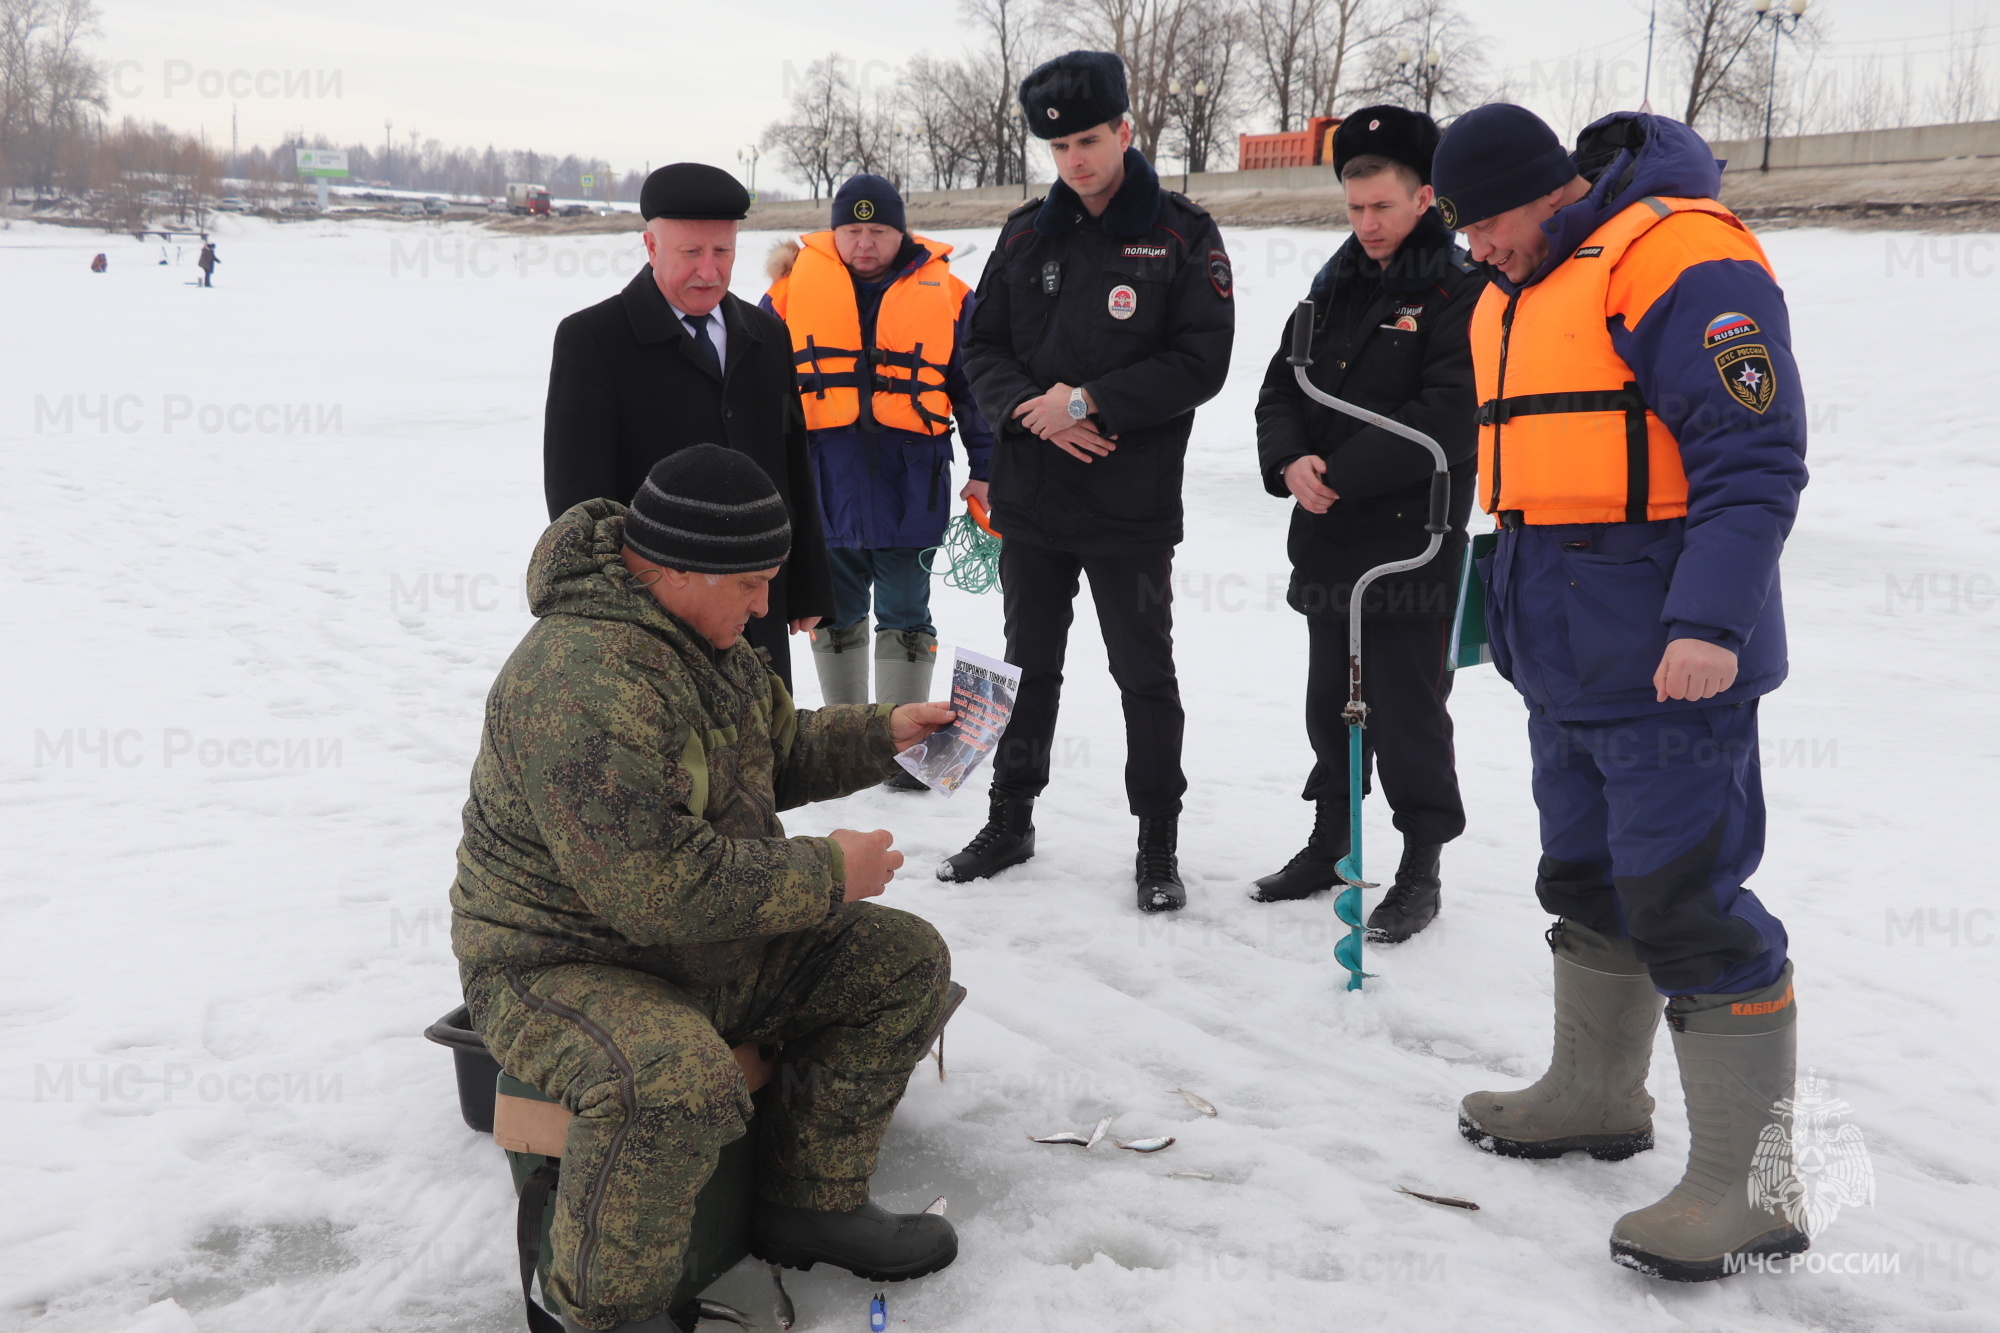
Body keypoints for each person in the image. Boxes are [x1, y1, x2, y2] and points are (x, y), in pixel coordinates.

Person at [451, 445, 961, 1333]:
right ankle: (605, 1313)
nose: (767, 603)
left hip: (705, 939)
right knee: (673, 1081)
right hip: (561, 963)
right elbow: (653, 888)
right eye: (752, 583)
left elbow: (776, 748)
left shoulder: (703, 634)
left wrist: (888, 733)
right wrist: (829, 872)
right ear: (674, 567)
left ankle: (808, 1199)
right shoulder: (582, 677)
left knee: (900, 961)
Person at [1433, 104, 1809, 1281]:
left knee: (1686, 902)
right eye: (1462, 231)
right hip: (1566, 663)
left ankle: (1754, 1190)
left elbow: (1752, 456)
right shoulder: (1519, 285)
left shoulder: (1674, 256)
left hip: (1668, 663)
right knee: (1587, 882)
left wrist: (1708, 621)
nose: (1476, 249)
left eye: (1486, 222)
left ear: (1549, 191)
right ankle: (1594, 1094)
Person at [941, 49, 1235, 913]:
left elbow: (1202, 359)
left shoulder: (1183, 233)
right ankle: (1009, 817)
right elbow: (980, 345)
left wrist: (1092, 402)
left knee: (1144, 674)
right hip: (1033, 499)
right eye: (1062, 144)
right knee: (1026, 666)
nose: (1076, 159)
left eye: (1091, 139)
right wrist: (1033, 408)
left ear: (1126, 132)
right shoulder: (1028, 231)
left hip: (1129, 502)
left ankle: (1157, 842)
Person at [1249, 105, 1484, 944]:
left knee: (1409, 707)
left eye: (1382, 206)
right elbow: (1284, 387)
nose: (1368, 224)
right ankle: (1333, 838)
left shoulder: (1462, 291)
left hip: (1412, 540)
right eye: (1354, 209)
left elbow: (1452, 416)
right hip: (1329, 537)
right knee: (1331, 704)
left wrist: (1338, 472)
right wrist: (1290, 463)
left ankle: (1421, 861)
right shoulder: (1332, 284)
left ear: (1425, 196)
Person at [542, 162, 834, 690]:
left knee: (762, 751)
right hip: (651, 608)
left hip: (755, 602)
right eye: (690, 253)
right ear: (651, 247)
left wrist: (809, 579)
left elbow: (793, 461)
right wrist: (602, 601)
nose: (709, 271)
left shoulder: (768, 335)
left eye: (722, 252)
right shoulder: (593, 340)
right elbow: (577, 495)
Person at [761, 173, 995, 789]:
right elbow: (755, 396)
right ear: (834, 231)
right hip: (823, 494)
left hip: (910, 492)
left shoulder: (948, 295)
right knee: (832, 615)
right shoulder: (787, 295)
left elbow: (978, 394)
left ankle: (905, 749)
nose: (865, 244)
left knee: (906, 614)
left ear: (902, 231)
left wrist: (986, 471)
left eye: (879, 231)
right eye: (852, 230)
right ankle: (845, 745)